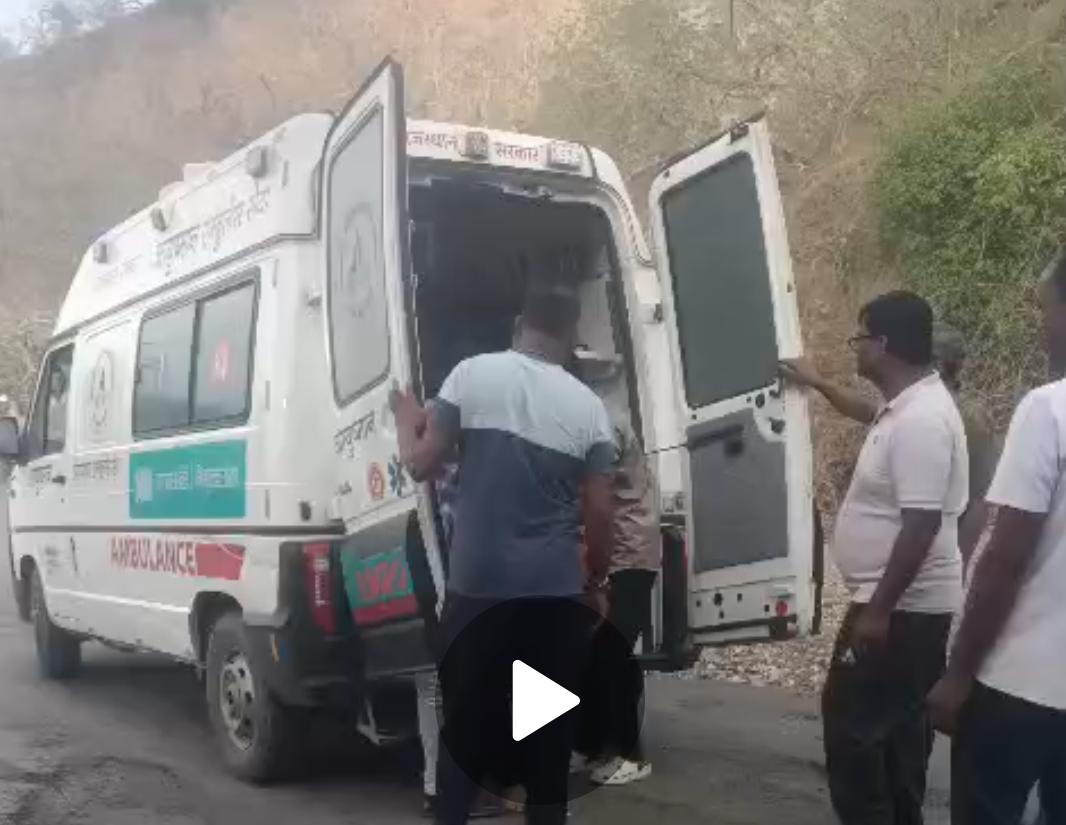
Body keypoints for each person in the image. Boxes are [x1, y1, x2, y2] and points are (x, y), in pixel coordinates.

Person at [392, 283, 615, 825]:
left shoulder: (470, 376)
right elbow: (600, 511)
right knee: (547, 746)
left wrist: (404, 416)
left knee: (464, 734)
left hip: (477, 591)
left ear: (520, 324)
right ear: (571, 338)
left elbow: (420, 465)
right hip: (552, 597)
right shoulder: (589, 410)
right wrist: (596, 579)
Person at [781, 291, 968, 825]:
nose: (855, 347)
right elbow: (865, 412)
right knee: (896, 734)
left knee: (854, 731)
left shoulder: (921, 420)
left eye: (860, 337)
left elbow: (922, 523)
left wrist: (879, 610)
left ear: (882, 344)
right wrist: (818, 383)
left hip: (901, 609)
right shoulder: (905, 409)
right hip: (902, 606)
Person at [928, 249, 1066, 825]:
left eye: (1047, 310)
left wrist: (959, 674)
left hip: (1019, 683)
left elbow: (1005, 555)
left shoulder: (1049, 410)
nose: (1042, 328)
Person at [575, 404, 661, 787]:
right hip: (623, 553)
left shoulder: (603, 424)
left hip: (629, 554)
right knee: (601, 655)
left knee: (614, 654)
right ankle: (601, 747)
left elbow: (600, 500)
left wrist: (597, 568)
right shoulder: (597, 418)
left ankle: (630, 755)